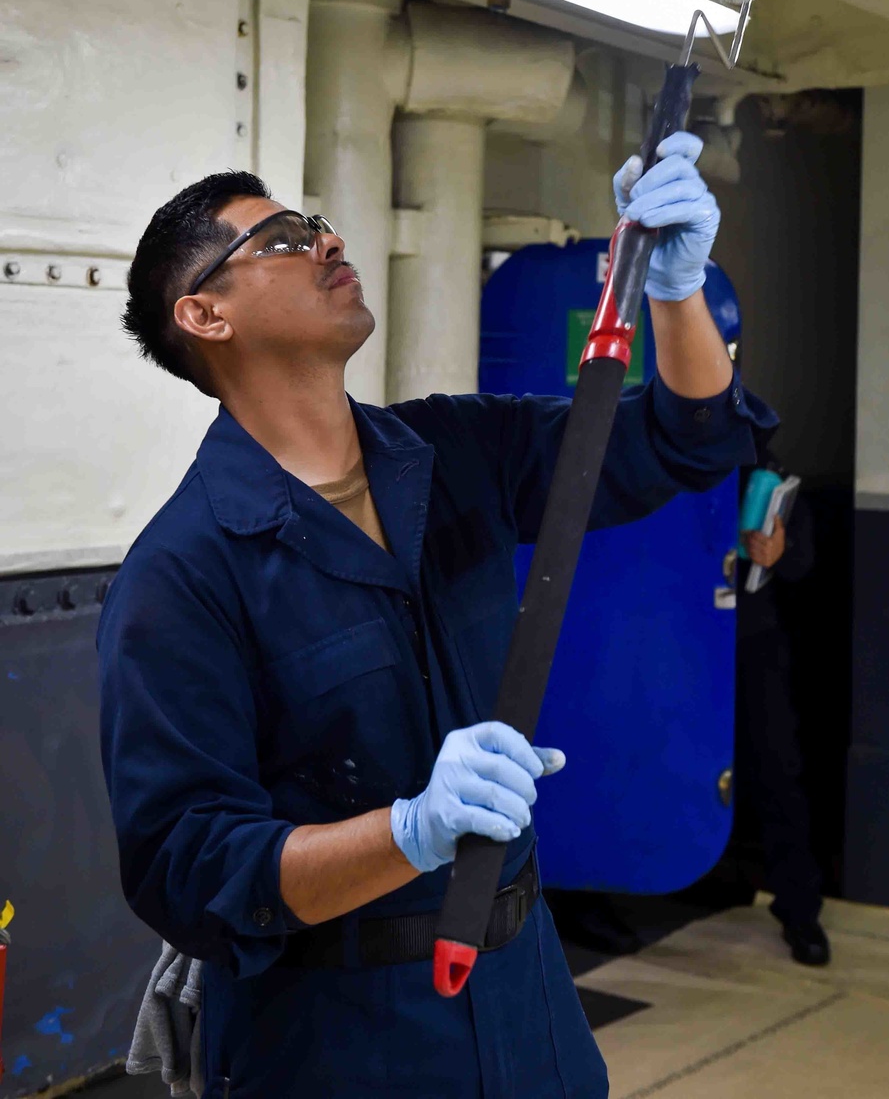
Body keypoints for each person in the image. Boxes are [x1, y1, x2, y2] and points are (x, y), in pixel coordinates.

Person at [98, 133, 773, 1099]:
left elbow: (681, 444)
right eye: (284, 239)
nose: (328, 243)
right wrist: (407, 831)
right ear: (204, 313)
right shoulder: (183, 573)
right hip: (339, 1038)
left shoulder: (453, 449)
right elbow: (191, 866)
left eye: (321, 225)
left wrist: (671, 285)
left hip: (531, 1006)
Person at [737, 430, 830, 966]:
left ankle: (800, 910)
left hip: (753, 640)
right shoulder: (667, 456)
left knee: (777, 769)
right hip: (679, 640)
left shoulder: (765, 468)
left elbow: (803, 564)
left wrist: (780, 549)